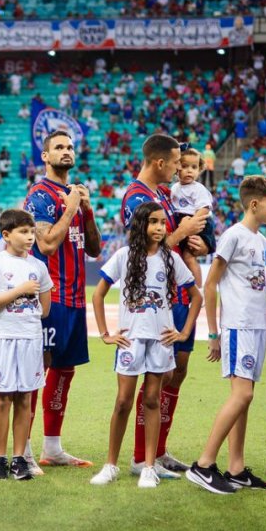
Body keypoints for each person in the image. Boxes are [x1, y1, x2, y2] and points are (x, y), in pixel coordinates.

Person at [91, 202, 199, 488]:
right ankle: (110, 465)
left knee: (152, 400)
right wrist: (105, 333)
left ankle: (149, 467)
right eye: (154, 222)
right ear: (140, 225)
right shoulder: (124, 256)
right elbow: (98, 295)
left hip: (161, 341)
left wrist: (184, 332)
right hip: (130, 339)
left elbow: (196, 296)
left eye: (163, 223)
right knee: (123, 401)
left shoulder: (170, 259)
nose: (160, 228)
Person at [185, 175, 266, 495]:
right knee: (242, 395)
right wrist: (213, 332)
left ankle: (236, 468)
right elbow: (210, 284)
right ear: (254, 204)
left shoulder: (261, 239)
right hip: (237, 325)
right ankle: (203, 464)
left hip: (256, 326)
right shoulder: (233, 236)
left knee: (245, 399)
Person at [120, 134, 210, 475]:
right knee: (158, 376)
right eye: (175, 163)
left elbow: (173, 246)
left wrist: (196, 244)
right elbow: (143, 254)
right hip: (152, 303)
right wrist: (182, 229)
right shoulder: (136, 198)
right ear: (160, 162)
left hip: (177, 295)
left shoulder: (162, 195)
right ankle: (141, 457)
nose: (178, 170)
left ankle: (157, 451)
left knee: (176, 371)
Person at [24, 131, 103, 471]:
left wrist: (86, 210)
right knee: (37, 371)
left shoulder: (75, 194)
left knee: (64, 371)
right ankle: (22, 449)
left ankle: (52, 447)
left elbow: (95, 250)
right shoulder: (39, 195)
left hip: (75, 297)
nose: (66, 151)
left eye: (70, 147)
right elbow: (46, 245)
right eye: (59, 147)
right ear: (45, 157)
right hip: (50, 297)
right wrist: (71, 208)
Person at [0, 209, 51, 481]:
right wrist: (19, 291)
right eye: (23, 231)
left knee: (25, 400)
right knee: (2, 399)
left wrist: (31, 298)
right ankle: (0, 459)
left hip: (30, 339)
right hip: (3, 339)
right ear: (6, 235)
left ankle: (19, 459)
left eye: (32, 231)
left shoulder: (38, 267)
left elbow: (44, 309)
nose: (30, 237)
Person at [169, 147, 217, 256]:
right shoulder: (174, 188)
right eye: (184, 166)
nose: (189, 170)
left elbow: (204, 209)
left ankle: (194, 274)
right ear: (177, 168)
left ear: (199, 170)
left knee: (188, 256)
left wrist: (191, 224)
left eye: (194, 167)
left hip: (198, 222)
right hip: (184, 222)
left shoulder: (198, 188)